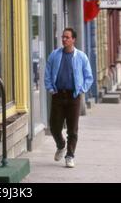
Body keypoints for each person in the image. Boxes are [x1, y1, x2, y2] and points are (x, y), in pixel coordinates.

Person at [44, 27, 93, 168]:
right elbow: (47, 73)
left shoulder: (82, 57)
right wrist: (51, 89)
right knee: (54, 126)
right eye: (63, 37)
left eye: (67, 37)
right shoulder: (54, 55)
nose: (64, 39)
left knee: (72, 129)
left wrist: (81, 90)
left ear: (73, 39)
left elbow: (89, 77)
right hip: (58, 95)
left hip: (74, 96)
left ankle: (70, 155)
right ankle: (61, 145)